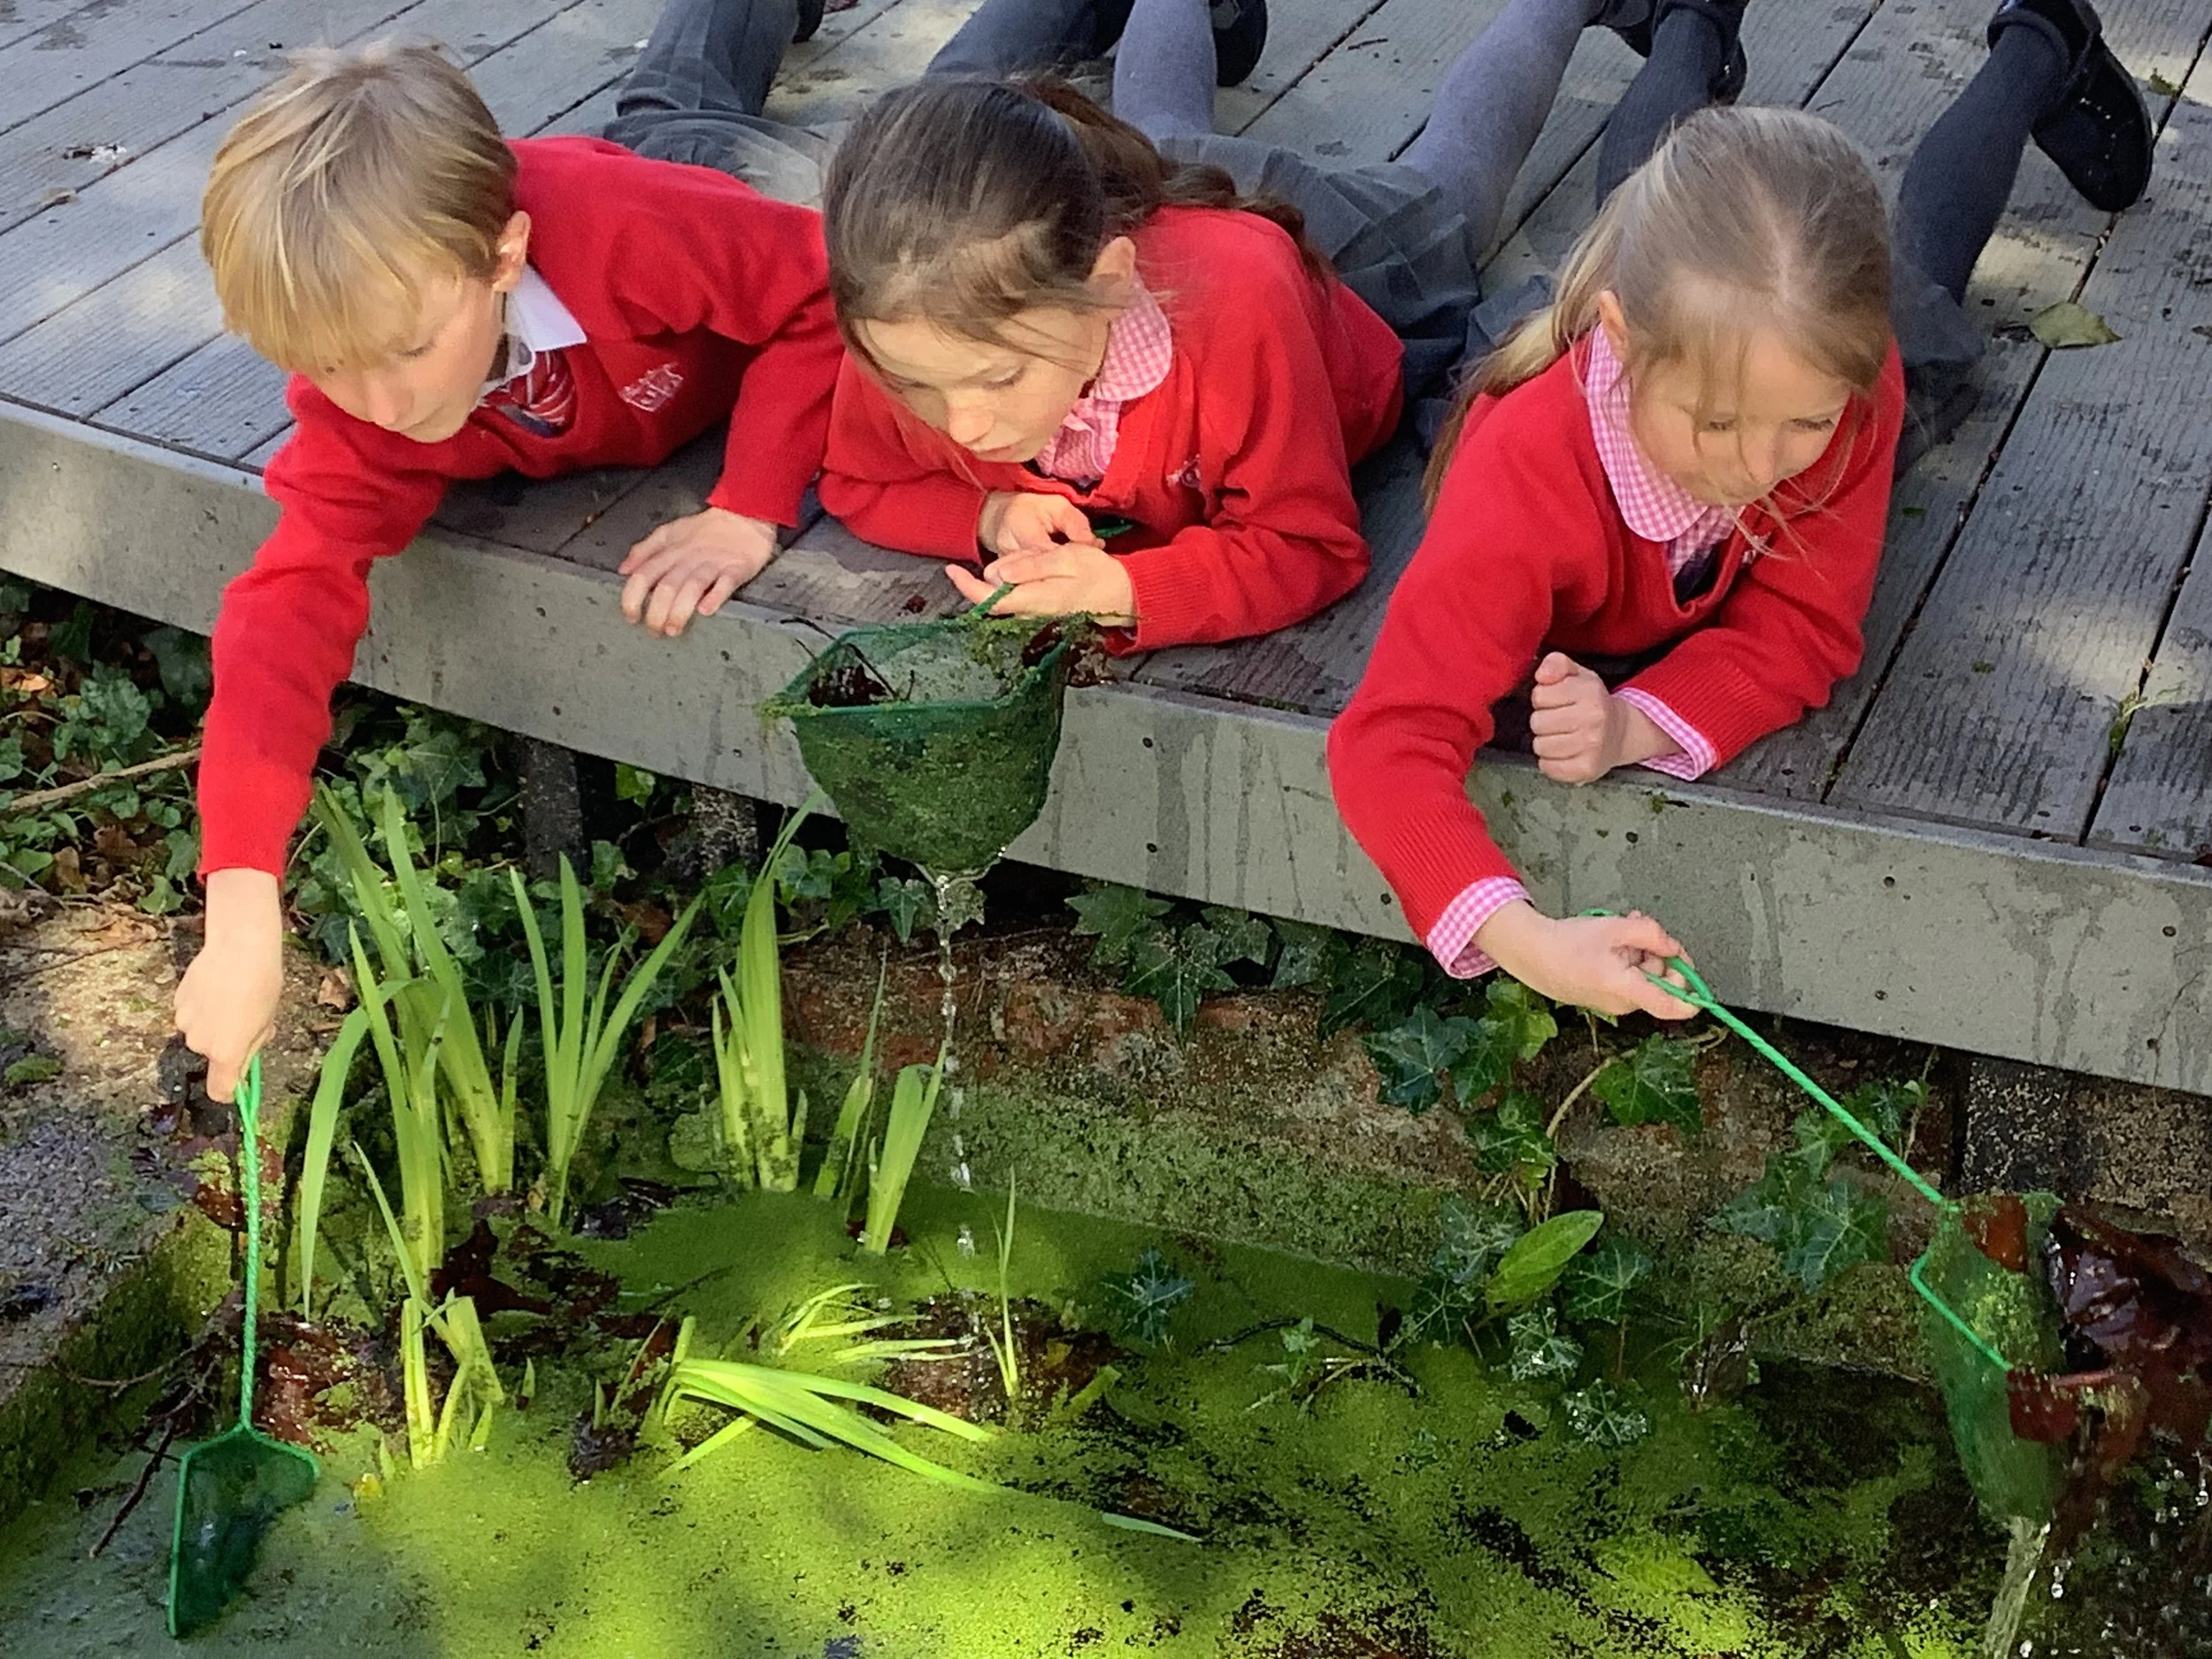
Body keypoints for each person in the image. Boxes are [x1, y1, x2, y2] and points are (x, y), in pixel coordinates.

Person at [1326, 0, 2153, 1018]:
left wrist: (1634, 723)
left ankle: (2038, 45)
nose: (1760, 468)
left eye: (1801, 425)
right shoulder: (1527, 474)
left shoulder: (1852, 387)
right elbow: (1386, 738)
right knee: (1631, 212)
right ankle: (1688, 23)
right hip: (1622, 347)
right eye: (1716, 424)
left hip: (1806, 336)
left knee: (1930, 277)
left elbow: (1803, 627)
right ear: (1621, 345)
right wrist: (1528, 943)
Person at [173, 17, 848, 1101]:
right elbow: (284, 606)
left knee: (838, 162)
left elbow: (822, 290)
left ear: (501, 260)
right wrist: (241, 902)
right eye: (331, 367)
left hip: (708, 192)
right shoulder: (366, 393)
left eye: (405, 352)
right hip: (580, 200)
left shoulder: (627, 232)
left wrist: (749, 508)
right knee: (666, 94)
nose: (383, 405)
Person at [814, 0, 1684, 649]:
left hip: (1342, 270)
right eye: (915, 385)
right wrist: (992, 514)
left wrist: (1125, 590)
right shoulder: (919, 309)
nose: (962, 423)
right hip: (1153, 201)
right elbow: (859, 479)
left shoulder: (1233, 313)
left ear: (1109, 282)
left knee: (1458, 177)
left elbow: (1314, 547)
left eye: (1001, 379)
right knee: (1158, 129)